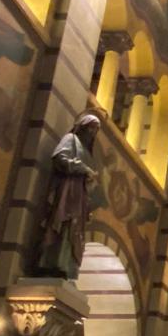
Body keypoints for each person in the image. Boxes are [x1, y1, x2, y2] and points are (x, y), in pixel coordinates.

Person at [37, 109, 102, 279]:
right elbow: (60, 158)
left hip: (80, 195)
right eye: (91, 127)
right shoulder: (70, 139)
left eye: (96, 130)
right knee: (63, 222)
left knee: (74, 230)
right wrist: (83, 168)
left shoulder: (88, 152)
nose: (92, 132)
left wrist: (90, 180)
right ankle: (51, 262)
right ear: (82, 126)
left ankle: (64, 265)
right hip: (68, 189)